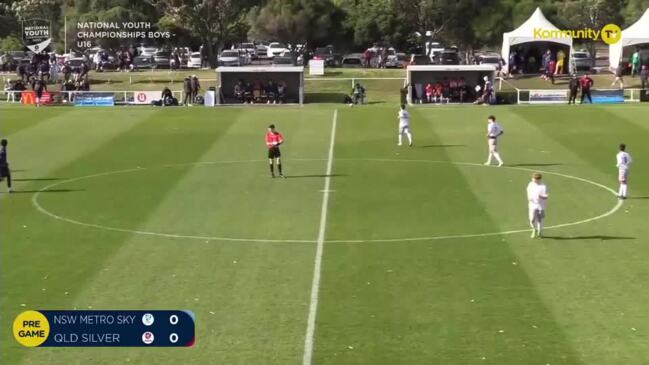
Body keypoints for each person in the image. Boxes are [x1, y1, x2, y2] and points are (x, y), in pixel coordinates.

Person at [526, 172, 548, 238]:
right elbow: (528, 191)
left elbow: (545, 197)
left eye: (534, 179)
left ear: (539, 179)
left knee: (539, 219)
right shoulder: (530, 184)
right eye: (533, 178)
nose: (533, 180)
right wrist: (529, 198)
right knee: (532, 219)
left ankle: (539, 232)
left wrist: (540, 196)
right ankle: (533, 229)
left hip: (540, 205)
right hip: (532, 205)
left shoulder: (543, 186)